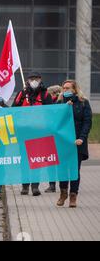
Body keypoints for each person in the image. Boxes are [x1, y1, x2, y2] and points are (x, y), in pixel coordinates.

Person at [13, 72, 53, 196]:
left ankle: (35, 186)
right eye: (31, 79)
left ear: (40, 79)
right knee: (25, 161)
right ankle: (25, 186)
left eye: (36, 78)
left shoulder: (45, 94)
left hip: (39, 133)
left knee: (36, 160)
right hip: (24, 133)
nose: (34, 81)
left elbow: (51, 112)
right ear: (27, 81)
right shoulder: (22, 94)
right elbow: (14, 109)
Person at [56, 80, 92, 208]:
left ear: (75, 90)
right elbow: (55, 122)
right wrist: (65, 108)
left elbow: (87, 122)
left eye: (68, 88)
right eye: (64, 88)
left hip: (77, 142)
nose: (65, 90)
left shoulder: (83, 103)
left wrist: (81, 138)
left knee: (74, 170)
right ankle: (63, 192)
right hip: (63, 143)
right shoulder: (60, 103)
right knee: (62, 169)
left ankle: (73, 195)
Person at [45, 85, 63, 193]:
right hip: (50, 136)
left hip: (57, 136)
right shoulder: (51, 103)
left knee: (56, 162)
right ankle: (52, 185)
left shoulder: (62, 103)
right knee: (51, 161)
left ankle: (58, 184)